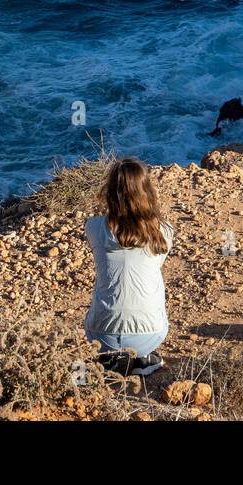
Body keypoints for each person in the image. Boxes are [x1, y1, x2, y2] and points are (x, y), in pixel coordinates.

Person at [83, 157, 173, 376]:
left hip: (100, 333)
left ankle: (110, 358)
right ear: (148, 191)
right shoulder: (164, 232)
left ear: (110, 192)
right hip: (151, 333)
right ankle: (144, 358)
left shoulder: (94, 227)